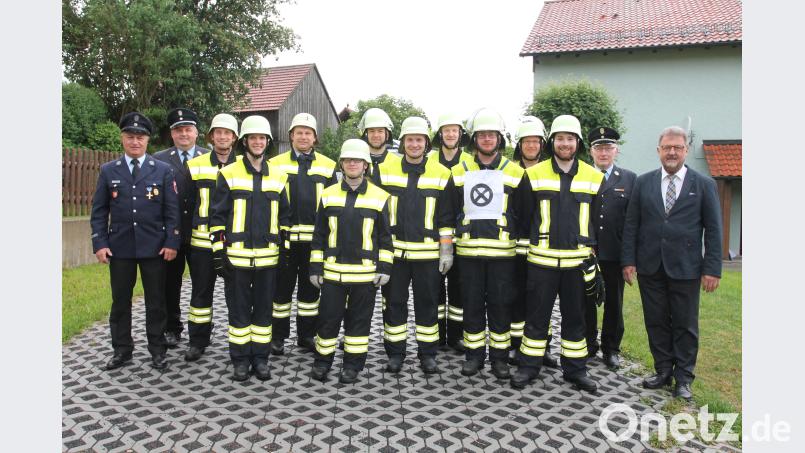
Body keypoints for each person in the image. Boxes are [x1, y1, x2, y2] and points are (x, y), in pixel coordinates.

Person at [621, 126, 722, 401]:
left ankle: (684, 378)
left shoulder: (704, 185)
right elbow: (632, 224)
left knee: (685, 324)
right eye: (667, 147)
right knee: (655, 321)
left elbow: (714, 230)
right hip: (650, 266)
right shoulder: (643, 182)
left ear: (686, 150)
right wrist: (628, 261)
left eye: (677, 147)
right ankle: (663, 370)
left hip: (687, 268)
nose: (672, 152)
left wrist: (712, 268)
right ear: (659, 151)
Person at [510, 114, 602, 393]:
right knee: (536, 319)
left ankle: (576, 370)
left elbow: (595, 220)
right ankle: (529, 366)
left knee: (576, 320)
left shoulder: (593, 177)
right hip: (541, 263)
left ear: (578, 143)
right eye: (560, 138)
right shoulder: (534, 175)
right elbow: (524, 218)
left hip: (576, 265)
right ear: (552, 142)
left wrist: (592, 261)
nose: (565, 143)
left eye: (570, 139)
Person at [90, 112, 180, 371]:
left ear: (147, 140)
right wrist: (100, 243)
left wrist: (172, 243)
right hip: (120, 248)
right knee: (120, 302)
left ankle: (157, 350)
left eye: (140, 137)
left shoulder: (162, 170)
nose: (135, 142)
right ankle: (122, 350)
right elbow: (99, 211)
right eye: (130, 137)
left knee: (156, 302)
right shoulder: (109, 171)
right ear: (122, 139)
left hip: (154, 247)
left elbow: (171, 211)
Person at [208, 115, 290, 382]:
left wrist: (285, 251)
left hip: (268, 260)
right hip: (237, 260)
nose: (257, 142)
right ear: (244, 141)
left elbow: (285, 220)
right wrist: (219, 254)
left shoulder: (279, 176)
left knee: (264, 312)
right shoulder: (228, 174)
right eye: (252, 138)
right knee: (239, 312)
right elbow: (217, 217)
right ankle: (240, 360)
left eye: (262, 138)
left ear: (267, 142)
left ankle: (261, 359)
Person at [308, 139, 393, 384]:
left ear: (365, 165)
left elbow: (386, 237)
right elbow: (319, 236)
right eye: (348, 160)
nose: (352, 164)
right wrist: (315, 267)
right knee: (327, 321)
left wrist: (385, 267)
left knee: (359, 323)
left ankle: (353, 366)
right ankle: (322, 363)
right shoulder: (327, 195)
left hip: (365, 275)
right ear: (342, 164)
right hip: (333, 274)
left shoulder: (380, 197)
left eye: (357, 160)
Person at [450, 108, 524, 380]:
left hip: (503, 254)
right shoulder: (459, 171)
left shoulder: (515, 173)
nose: (487, 139)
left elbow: (524, 213)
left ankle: (500, 359)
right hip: (468, 252)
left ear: (500, 139)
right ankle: (474, 356)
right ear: (474, 139)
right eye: (482, 135)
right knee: (471, 305)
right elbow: (449, 211)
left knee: (500, 305)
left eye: (491, 134)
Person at [378, 117, 454, 374]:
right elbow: (378, 213)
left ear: (426, 144)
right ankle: (396, 353)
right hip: (395, 256)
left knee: (428, 306)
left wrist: (446, 251)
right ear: (402, 143)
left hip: (428, 257)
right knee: (394, 305)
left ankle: (428, 354)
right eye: (409, 139)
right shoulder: (385, 170)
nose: (414, 144)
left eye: (419, 140)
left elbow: (446, 218)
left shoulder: (442, 174)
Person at [268, 113, 337, 355]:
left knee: (311, 292)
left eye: (308, 133)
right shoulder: (274, 164)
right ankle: (277, 337)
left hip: (314, 242)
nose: (303, 137)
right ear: (291, 136)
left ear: (315, 137)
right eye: (299, 132)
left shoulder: (329, 166)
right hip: (284, 240)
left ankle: (306, 335)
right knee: (281, 292)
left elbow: (334, 204)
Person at [183, 113, 240, 361]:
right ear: (211, 136)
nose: (222, 137)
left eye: (227, 133)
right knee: (200, 294)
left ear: (235, 138)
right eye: (218, 132)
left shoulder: (245, 167)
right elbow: (185, 205)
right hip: (202, 243)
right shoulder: (195, 166)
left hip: (234, 244)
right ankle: (197, 341)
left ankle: (236, 343)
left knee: (235, 296)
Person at [153, 108, 209, 348]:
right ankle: (172, 328)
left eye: (188, 129)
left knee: (202, 286)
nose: (183, 134)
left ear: (197, 133)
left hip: (200, 235)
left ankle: (200, 332)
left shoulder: (209, 157)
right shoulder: (158, 159)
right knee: (170, 285)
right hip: (171, 235)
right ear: (171, 134)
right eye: (178, 130)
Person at [509, 117, 558, 369]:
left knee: (542, 299)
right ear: (520, 145)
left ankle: (544, 346)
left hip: (543, 247)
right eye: (526, 141)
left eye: (535, 141)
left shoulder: (551, 172)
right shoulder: (511, 171)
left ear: (542, 144)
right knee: (516, 298)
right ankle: (515, 347)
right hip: (516, 247)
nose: (530, 145)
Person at [585, 126, 636, 369]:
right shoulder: (582, 175)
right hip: (587, 252)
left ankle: (611, 348)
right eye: (598, 147)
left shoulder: (629, 179)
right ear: (591, 151)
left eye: (608, 147)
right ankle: (587, 345)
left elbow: (632, 222)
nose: (603, 152)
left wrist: (629, 259)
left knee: (614, 304)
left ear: (616, 150)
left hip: (615, 254)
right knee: (585, 301)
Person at [427, 112, 473, 352]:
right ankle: (435, 336)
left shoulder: (470, 163)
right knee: (434, 288)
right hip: (433, 233)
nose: (451, 134)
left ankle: (455, 337)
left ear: (460, 134)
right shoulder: (429, 161)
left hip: (462, 234)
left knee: (458, 288)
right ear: (440, 134)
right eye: (446, 130)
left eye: (455, 130)